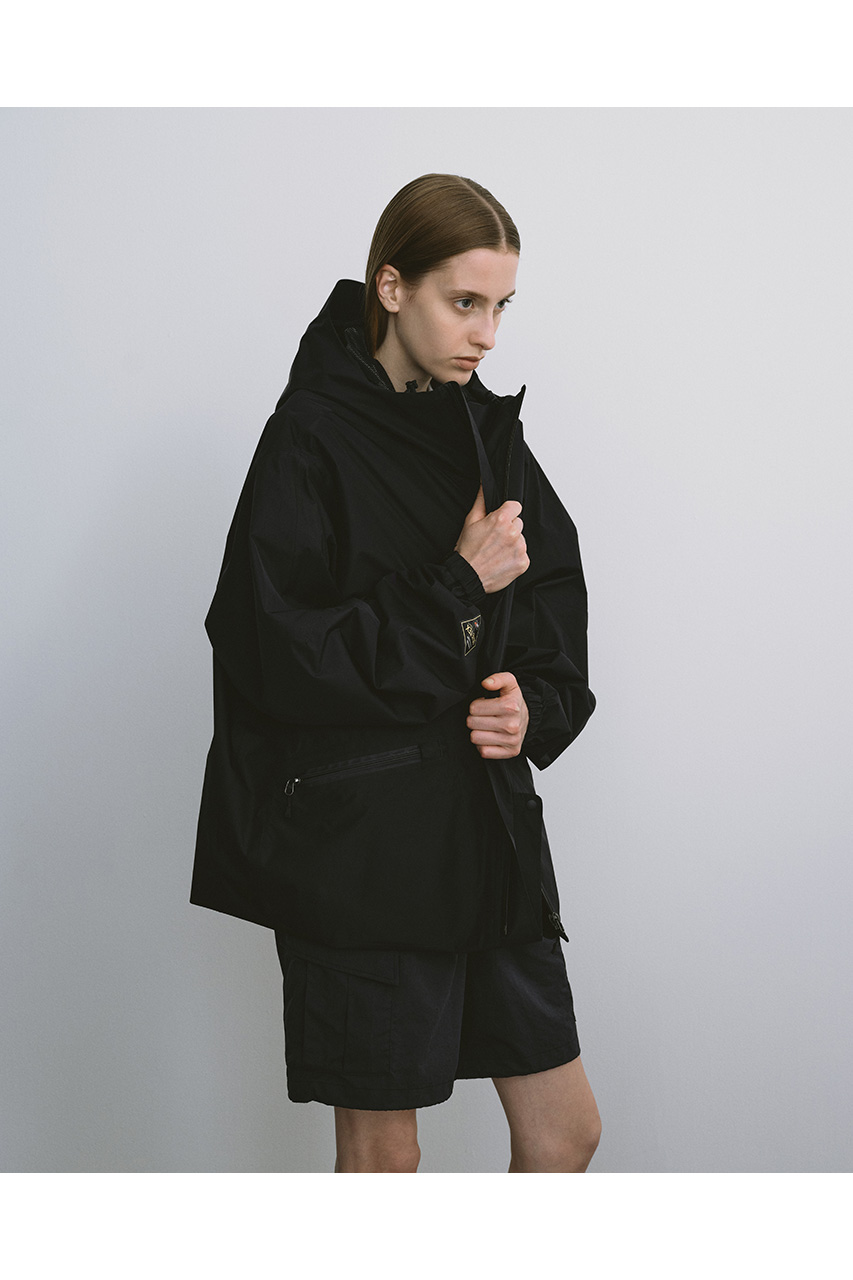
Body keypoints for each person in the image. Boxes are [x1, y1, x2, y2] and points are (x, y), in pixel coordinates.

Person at [191, 173, 601, 1172]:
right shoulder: (309, 435)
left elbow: (548, 597)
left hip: (487, 835)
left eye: (501, 306)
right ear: (390, 286)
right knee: (385, 1161)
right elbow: (276, 654)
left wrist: (533, 706)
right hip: (362, 851)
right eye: (463, 302)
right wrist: (456, 584)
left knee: (564, 1131)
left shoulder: (485, 431)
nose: (486, 334)